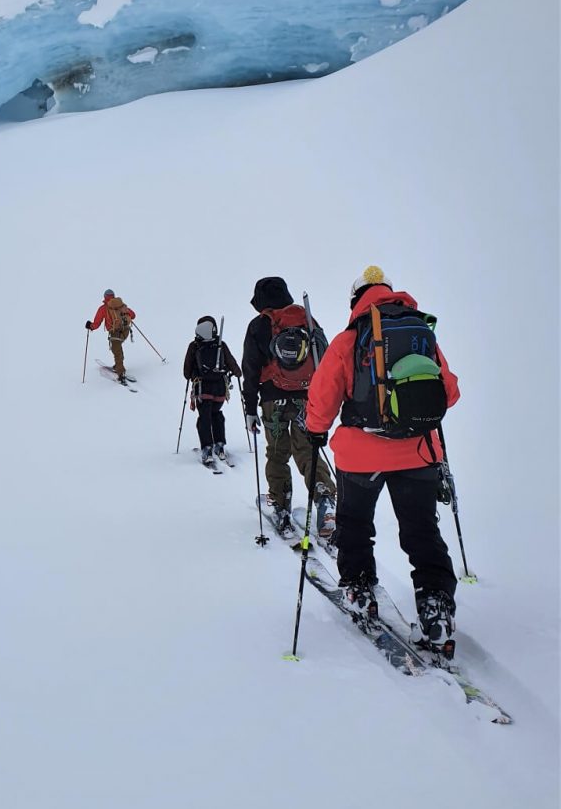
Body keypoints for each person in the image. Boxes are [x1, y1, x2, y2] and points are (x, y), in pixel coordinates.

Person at [304, 266, 460, 649]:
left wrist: (315, 429)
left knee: (355, 524)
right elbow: (449, 392)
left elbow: (324, 396)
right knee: (422, 530)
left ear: (356, 299)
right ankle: (436, 604)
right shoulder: (422, 332)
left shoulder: (348, 340)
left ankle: (358, 590)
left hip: (361, 457)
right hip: (418, 453)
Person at [242, 277, 336, 539]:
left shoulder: (259, 325)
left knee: (277, 452)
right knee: (308, 451)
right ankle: (325, 501)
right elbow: (324, 360)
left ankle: (281, 506)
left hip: (274, 400)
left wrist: (250, 409)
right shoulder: (306, 319)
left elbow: (250, 369)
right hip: (308, 398)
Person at [183, 316, 242, 466]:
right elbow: (233, 365)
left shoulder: (194, 346)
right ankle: (220, 445)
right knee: (216, 414)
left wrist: (194, 375)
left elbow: (186, 371)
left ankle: (207, 448)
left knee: (204, 417)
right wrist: (235, 372)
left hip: (202, 389)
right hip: (220, 389)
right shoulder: (220, 344)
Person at [86, 289, 136, 382]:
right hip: (126, 331)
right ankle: (118, 365)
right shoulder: (121, 305)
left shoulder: (103, 308)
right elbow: (133, 315)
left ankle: (121, 373)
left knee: (116, 351)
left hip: (115, 332)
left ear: (105, 297)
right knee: (117, 349)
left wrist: (90, 326)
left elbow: (97, 323)